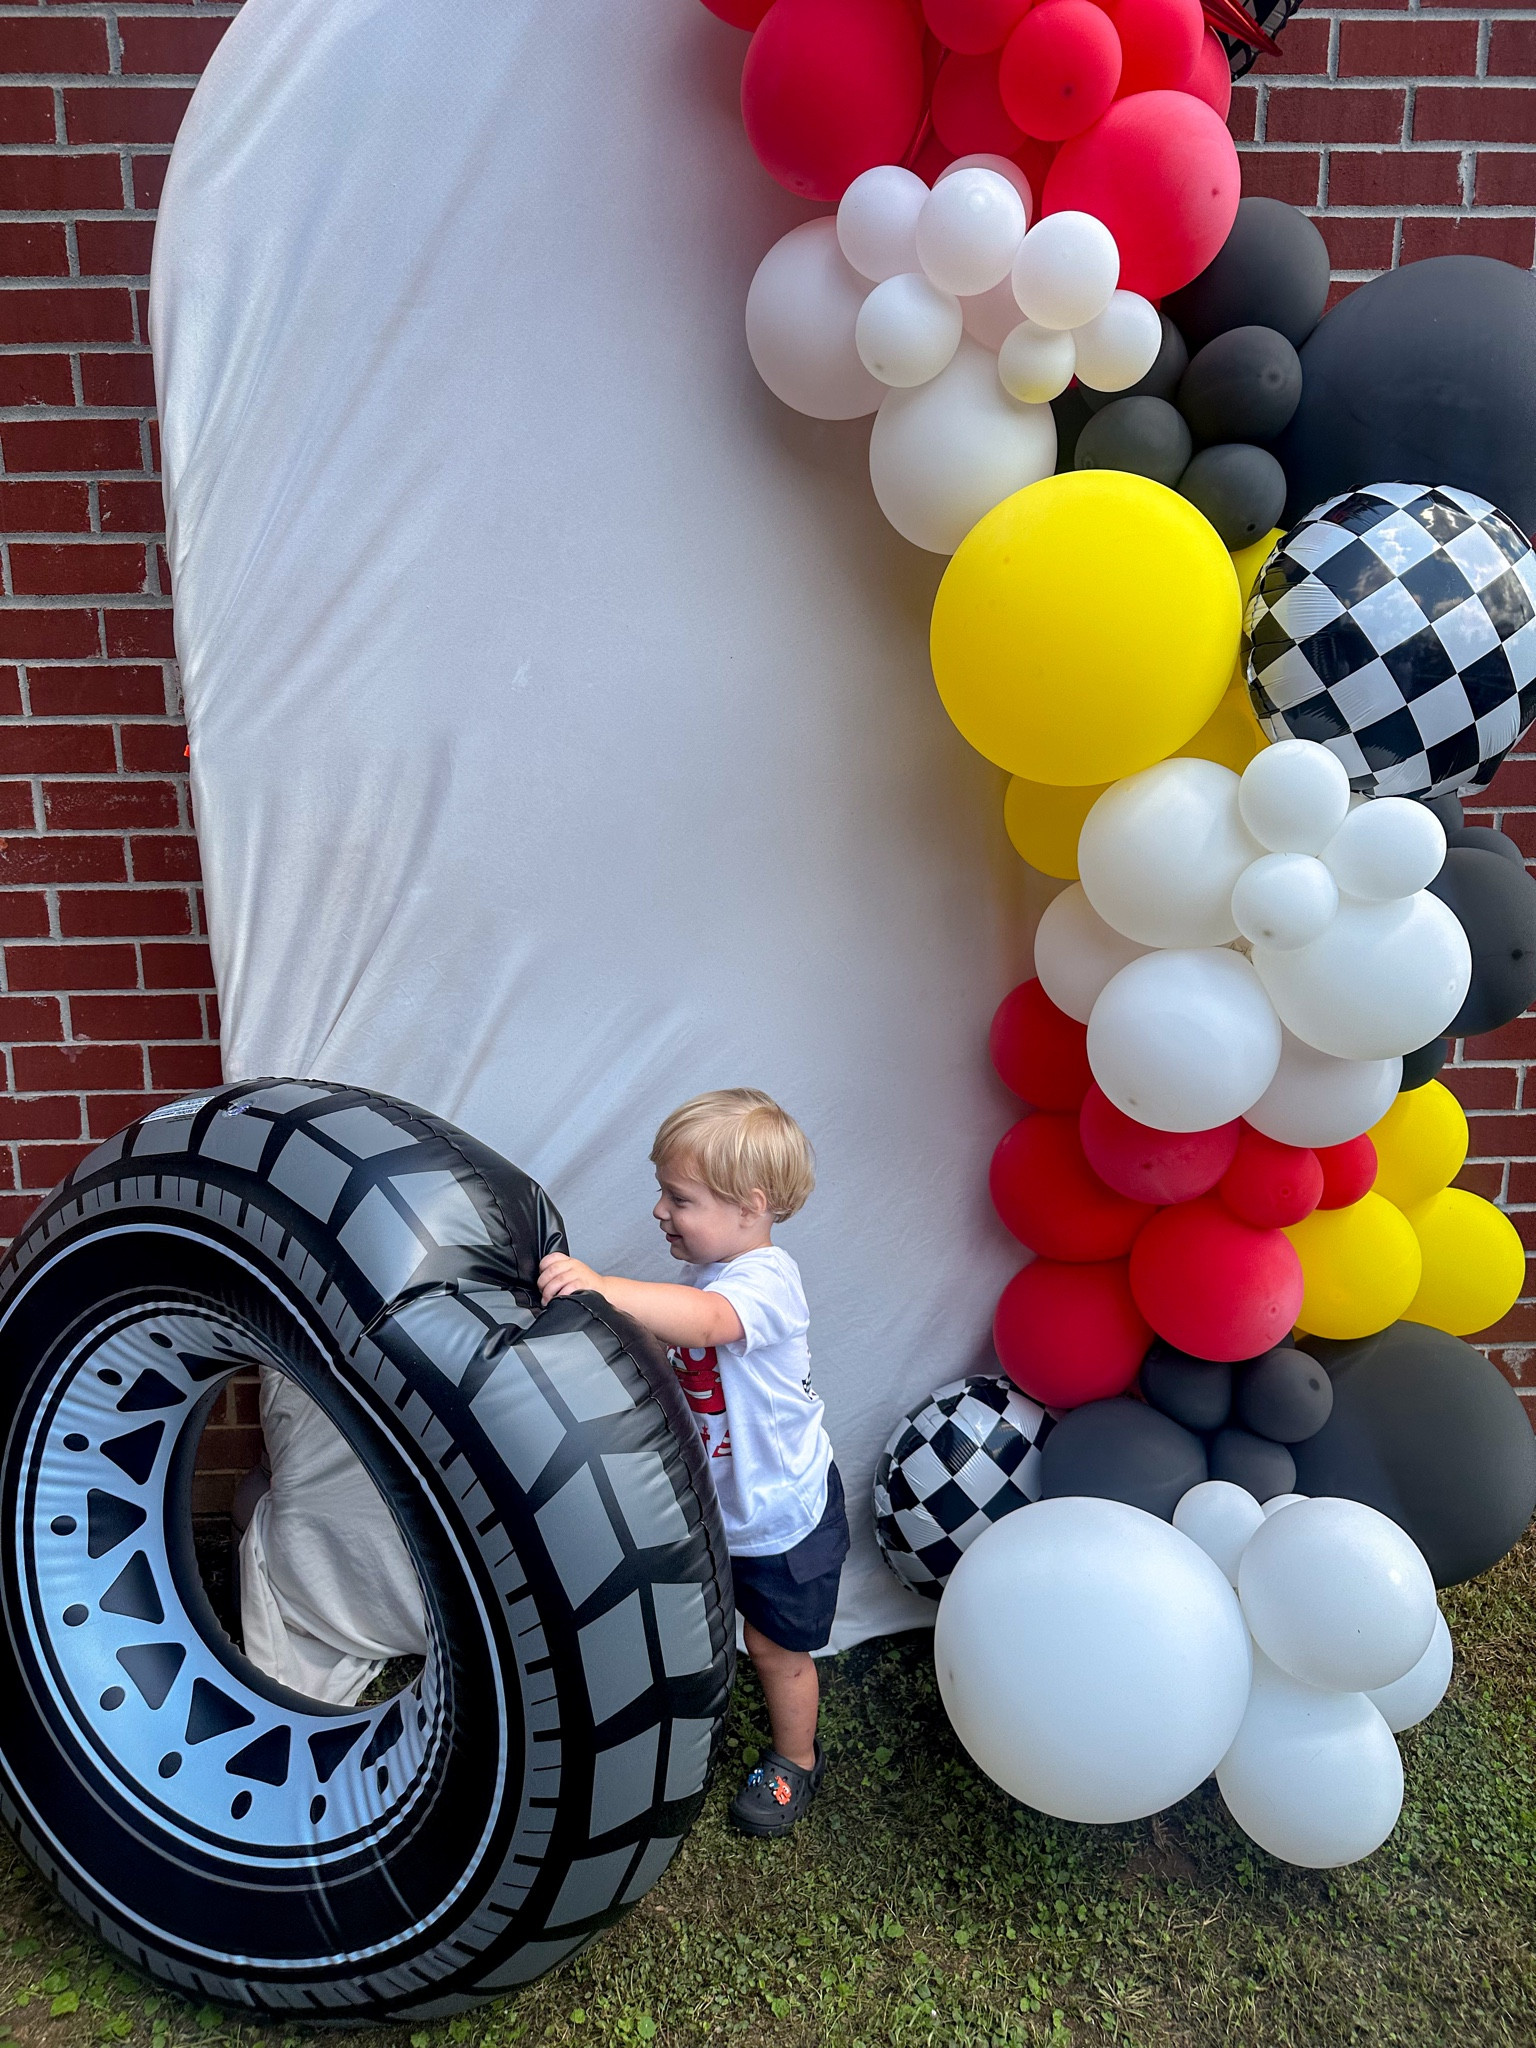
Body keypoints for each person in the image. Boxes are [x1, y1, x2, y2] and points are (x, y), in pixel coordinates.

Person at [539, 1087, 846, 1837]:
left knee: (776, 1647)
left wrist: (606, 1287)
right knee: (698, 1625)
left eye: (678, 1197)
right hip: (721, 1510)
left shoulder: (767, 1282)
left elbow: (710, 1327)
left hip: (781, 1519)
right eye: (662, 1193)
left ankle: (795, 1760)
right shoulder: (704, 1278)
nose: (659, 1211)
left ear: (750, 1205)